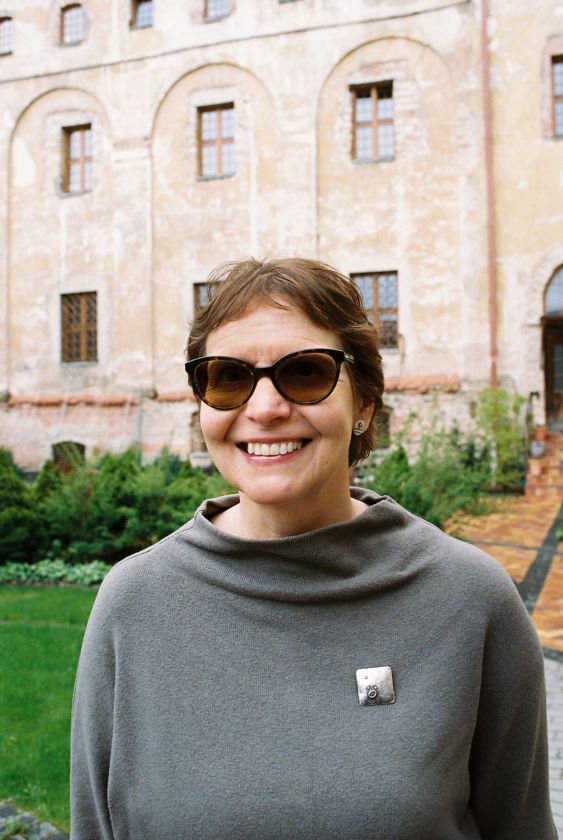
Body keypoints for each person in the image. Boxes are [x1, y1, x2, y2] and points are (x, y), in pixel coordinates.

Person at [70, 258, 557, 840]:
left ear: (365, 403)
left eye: (305, 372)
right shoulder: (134, 604)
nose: (265, 408)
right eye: (228, 377)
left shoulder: (470, 598)